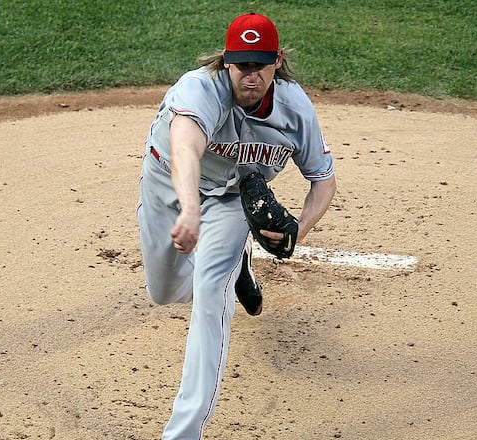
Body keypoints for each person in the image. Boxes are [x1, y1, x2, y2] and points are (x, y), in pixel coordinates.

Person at [136, 12, 336, 439]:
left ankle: (183, 433)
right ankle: (238, 269)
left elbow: (323, 179)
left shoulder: (295, 109)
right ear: (227, 61)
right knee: (164, 291)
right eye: (242, 65)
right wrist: (190, 209)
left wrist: (299, 228)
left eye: (260, 65)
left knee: (211, 291)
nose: (251, 75)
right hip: (170, 183)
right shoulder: (199, 89)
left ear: (277, 61)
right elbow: (186, 149)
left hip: (233, 198)